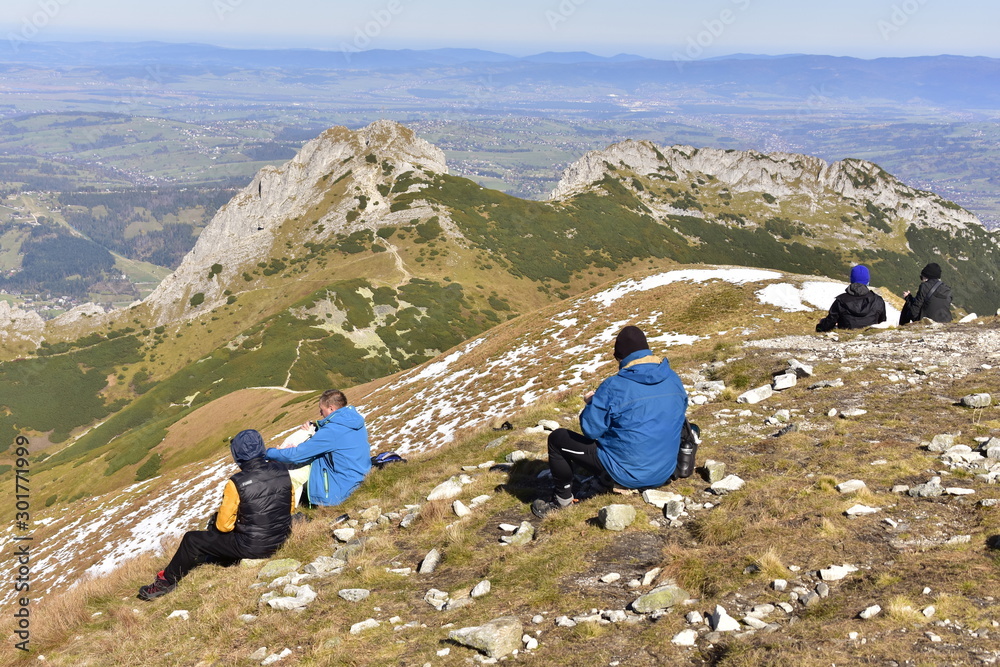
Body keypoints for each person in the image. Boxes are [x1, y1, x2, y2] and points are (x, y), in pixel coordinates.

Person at [532, 326, 688, 518]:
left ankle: (562, 501)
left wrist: (592, 403)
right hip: (664, 471)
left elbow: (591, 430)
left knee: (557, 439)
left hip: (626, 474)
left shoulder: (614, 385)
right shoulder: (673, 378)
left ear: (620, 357)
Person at [137, 429, 292, 601]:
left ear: (237, 454)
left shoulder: (237, 482)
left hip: (255, 546)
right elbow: (290, 506)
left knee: (191, 539)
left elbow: (223, 526)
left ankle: (166, 581)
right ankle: (220, 558)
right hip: (283, 535)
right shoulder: (281, 468)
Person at [265, 389, 372, 507]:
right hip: (359, 478)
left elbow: (295, 455)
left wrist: (269, 452)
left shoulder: (332, 431)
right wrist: (315, 426)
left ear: (331, 408)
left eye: (322, 409)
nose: (320, 413)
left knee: (293, 467)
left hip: (340, 493)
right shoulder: (352, 420)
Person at [816, 265, 887, 332]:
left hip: (845, 335)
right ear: (867, 280)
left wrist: (819, 327)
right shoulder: (877, 300)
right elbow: (882, 322)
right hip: (870, 335)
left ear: (852, 279)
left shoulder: (840, 301)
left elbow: (829, 323)